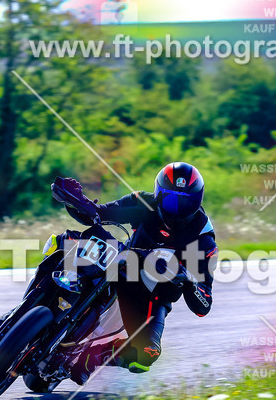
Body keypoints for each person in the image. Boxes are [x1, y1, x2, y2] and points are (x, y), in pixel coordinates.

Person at [52, 162, 217, 384]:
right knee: (67, 242)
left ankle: (92, 357)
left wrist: (187, 278)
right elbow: (99, 214)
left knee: (146, 354)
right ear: (158, 194)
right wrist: (74, 199)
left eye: (185, 202)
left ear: (197, 201)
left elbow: (204, 305)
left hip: (154, 295)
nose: (177, 209)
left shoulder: (203, 238)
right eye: (170, 200)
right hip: (122, 265)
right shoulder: (143, 203)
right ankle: (32, 304)